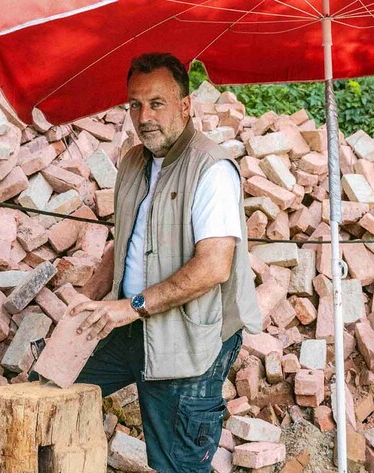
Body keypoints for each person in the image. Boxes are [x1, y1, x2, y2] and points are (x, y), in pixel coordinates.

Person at [69, 52, 261, 473]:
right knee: (58, 389)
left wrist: (130, 306)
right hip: (131, 322)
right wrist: (86, 297)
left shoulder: (211, 169)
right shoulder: (135, 161)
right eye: (135, 104)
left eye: (157, 103)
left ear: (185, 105)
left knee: (176, 463)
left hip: (191, 335)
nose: (144, 116)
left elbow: (214, 267)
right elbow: (127, 241)